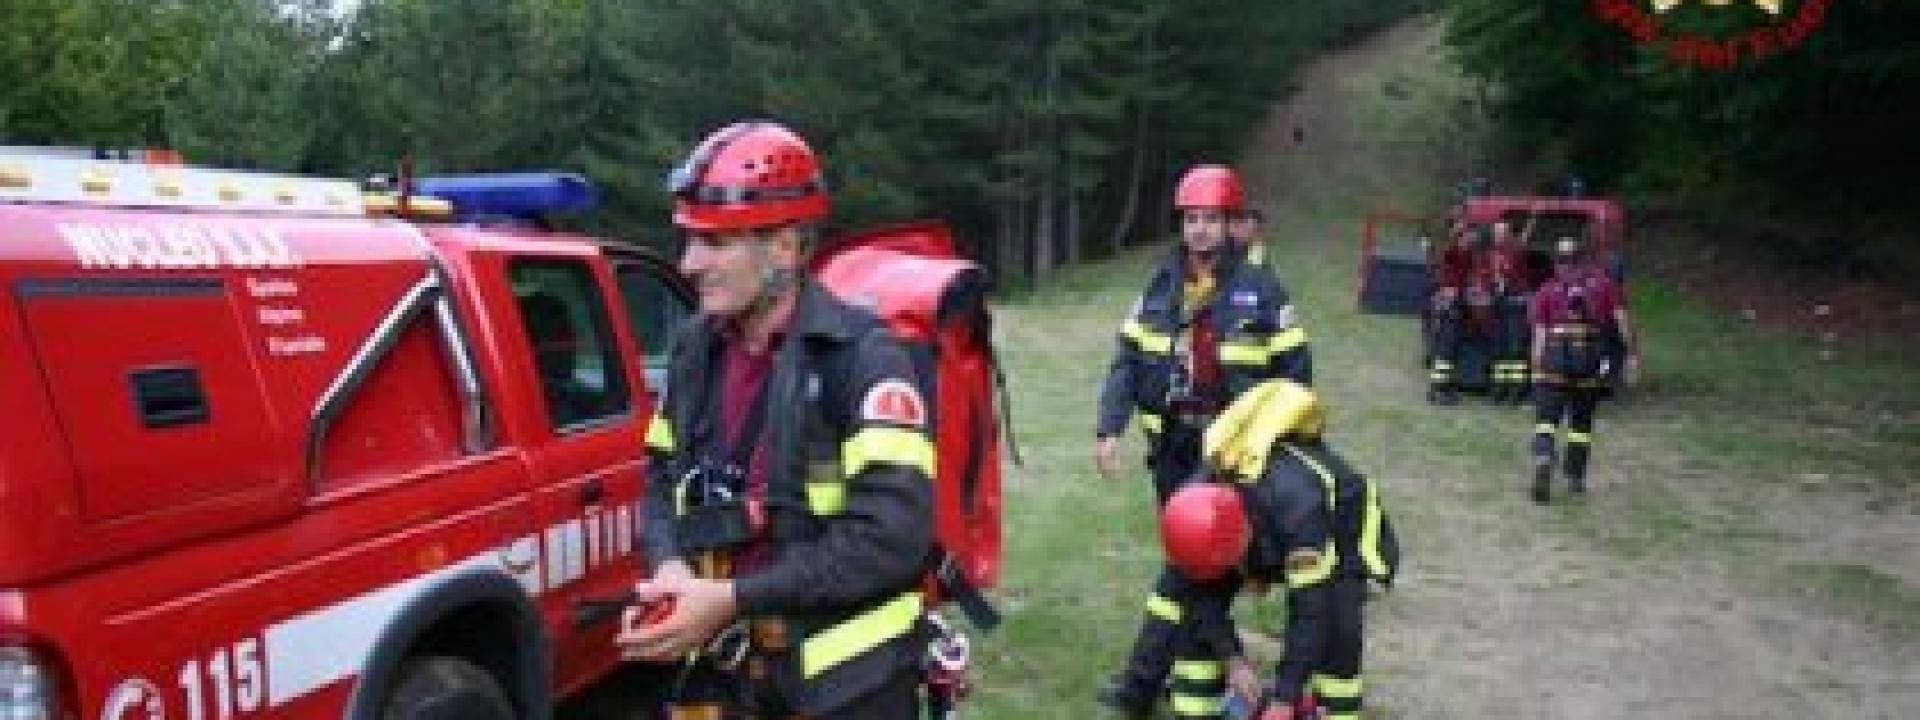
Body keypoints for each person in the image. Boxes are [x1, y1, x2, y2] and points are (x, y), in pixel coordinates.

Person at [617, 120, 938, 717]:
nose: (688, 264)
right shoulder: (695, 348)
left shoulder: (864, 359)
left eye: (715, 243)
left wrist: (732, 598)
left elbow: (891, 538)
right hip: (725, 676)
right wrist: (668, 571)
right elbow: (661, 477)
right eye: (687, 241)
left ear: (785, 249)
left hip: (847, 686)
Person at [1094, 164, 1311, 715]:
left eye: (1211, 219)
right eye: (1191, 219)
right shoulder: (1163, 284)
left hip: (1228, 457)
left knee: (1189, 565)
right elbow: (1126, 359)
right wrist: (1108, 428)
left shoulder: (1262, 291)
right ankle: (1171, 675)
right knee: (1188, 561)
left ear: (1231, 223)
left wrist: (1272, 445)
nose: (1200, 230)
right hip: (1172, 450)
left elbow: (1297, 375)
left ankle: (1143, 685)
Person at [1157, 379, 1400, 720]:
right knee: (1193, 618)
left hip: (1343, 531)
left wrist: (1284, 699)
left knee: (1337, 633)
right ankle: (1195, 710)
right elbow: (1198, 593)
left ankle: (1336, 711)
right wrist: (1233, 660)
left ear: (1239, 541)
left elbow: (1309, 613)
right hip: (1258, 526)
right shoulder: (1193, 505)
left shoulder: (1299, 510)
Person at [1528, 237, 1639, 503]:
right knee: (1580, 425)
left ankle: (1544, 457)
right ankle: (1575, 476)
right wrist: (1632, 355)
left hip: (1555, 360)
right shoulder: (1604, 285)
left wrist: (1536, 369)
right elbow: (1622, 321)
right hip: (1589, 361)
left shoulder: (1547, 290)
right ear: (1583, 260)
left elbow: (1540, 334)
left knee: (1546, 421)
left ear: (1557, 262)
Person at [1425, 223, 1475, 405]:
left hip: (1459, 305)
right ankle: (1436, 390)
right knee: (1445, 351)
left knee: (1452, 352)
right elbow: (1443, 279)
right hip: (1448, 308)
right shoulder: (1450, 253)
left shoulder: (1467, 255)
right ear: (1460, 237)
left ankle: (1445, 387)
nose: (1472, 239)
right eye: (1469, 236)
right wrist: (1448, 295)